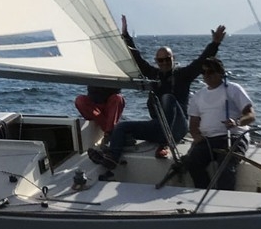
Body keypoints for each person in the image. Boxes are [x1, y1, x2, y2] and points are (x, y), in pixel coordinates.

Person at [92, 17, 225, 166]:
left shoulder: (183, 75)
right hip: (158, 126)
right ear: (156, 61)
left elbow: (200, 62)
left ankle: (165, 142)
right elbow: (138, 60)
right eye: (161, 60)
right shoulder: (153, 75)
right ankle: (112, 157)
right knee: (122, 127)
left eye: (167, 59)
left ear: (173, 58)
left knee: (168, 98)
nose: (165, 63)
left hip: (177, 128)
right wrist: (126, 36)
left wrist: (215, 43)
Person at [181, 57, 254, 190]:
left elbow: (250, 115)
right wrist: (197, 136)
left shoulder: (233, 89)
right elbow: (193, 125)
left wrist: (237, 122)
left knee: (225, 165)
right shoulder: (198, 96)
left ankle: (225, 197)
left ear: (220, 73)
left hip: (232, 136)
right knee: (192, 163)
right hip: (208, 140)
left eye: (210, 72)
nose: (206, 76)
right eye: (203, 73)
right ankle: (203, 192)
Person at [75, 85, 124, 169]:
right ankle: (111, 132)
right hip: (94, 107)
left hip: (110, 105)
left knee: (118, 98)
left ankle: (109, 135)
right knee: (80, 100)